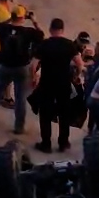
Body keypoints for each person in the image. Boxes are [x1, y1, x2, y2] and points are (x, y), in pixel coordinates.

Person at [0, 5, 43, 135]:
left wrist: (9, 20)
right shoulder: (28, 32)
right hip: (21, 67)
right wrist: (33, 20)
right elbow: (41, 35)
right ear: (22, 17)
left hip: (5, 65)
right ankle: (19, 126)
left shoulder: (4, 29)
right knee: (20, 98)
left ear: (12, 16)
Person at [30, 18, 84, 153]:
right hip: (64, 83)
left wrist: (34, 77)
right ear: (62, 30)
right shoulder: (69, 45)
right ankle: (63, 143)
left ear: (50, 29)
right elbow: (80, 64)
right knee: (64, 113)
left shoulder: (44, 44)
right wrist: (76, 76)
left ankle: (46, 144)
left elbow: (33, 65)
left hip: (47, 83)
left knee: (45, 114)